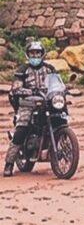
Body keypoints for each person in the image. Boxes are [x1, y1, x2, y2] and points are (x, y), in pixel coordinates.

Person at [4, 40, 55, 176]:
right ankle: (9, 164)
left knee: (60, 118)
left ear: (42, 54)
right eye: (32, 53)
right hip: (28, 104)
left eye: (38, 53)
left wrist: (63, 90)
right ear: (28, 55)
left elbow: (57, 82)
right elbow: (16, 88)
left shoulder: (49, 68)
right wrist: (30, 92)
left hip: (47, 102)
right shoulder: (23, 70)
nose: (35, 56)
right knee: (22, 129)